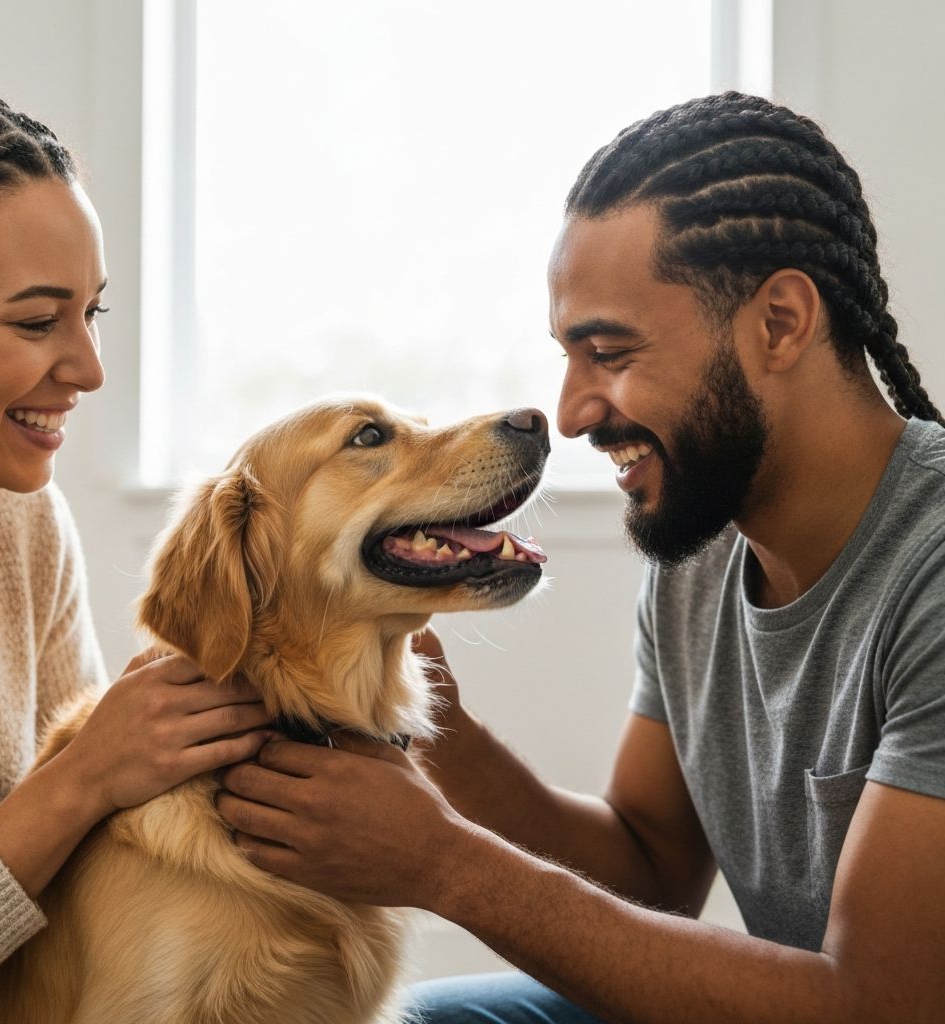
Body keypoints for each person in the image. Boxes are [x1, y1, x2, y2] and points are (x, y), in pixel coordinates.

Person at [215, 92, 945, 1022]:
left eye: (609, 352)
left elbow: (882, 1005)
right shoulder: (701, 550)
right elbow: (648, 869)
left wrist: (443, 864)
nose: (570, 413)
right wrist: (440, 743)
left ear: (781, 323)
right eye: (569, 355)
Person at [0, 81, 274, 1024]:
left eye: (93, 314)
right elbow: (74, 802)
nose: (87, 368)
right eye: (39, 321)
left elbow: (76, 882)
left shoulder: (21, 526)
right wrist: (81, 778)